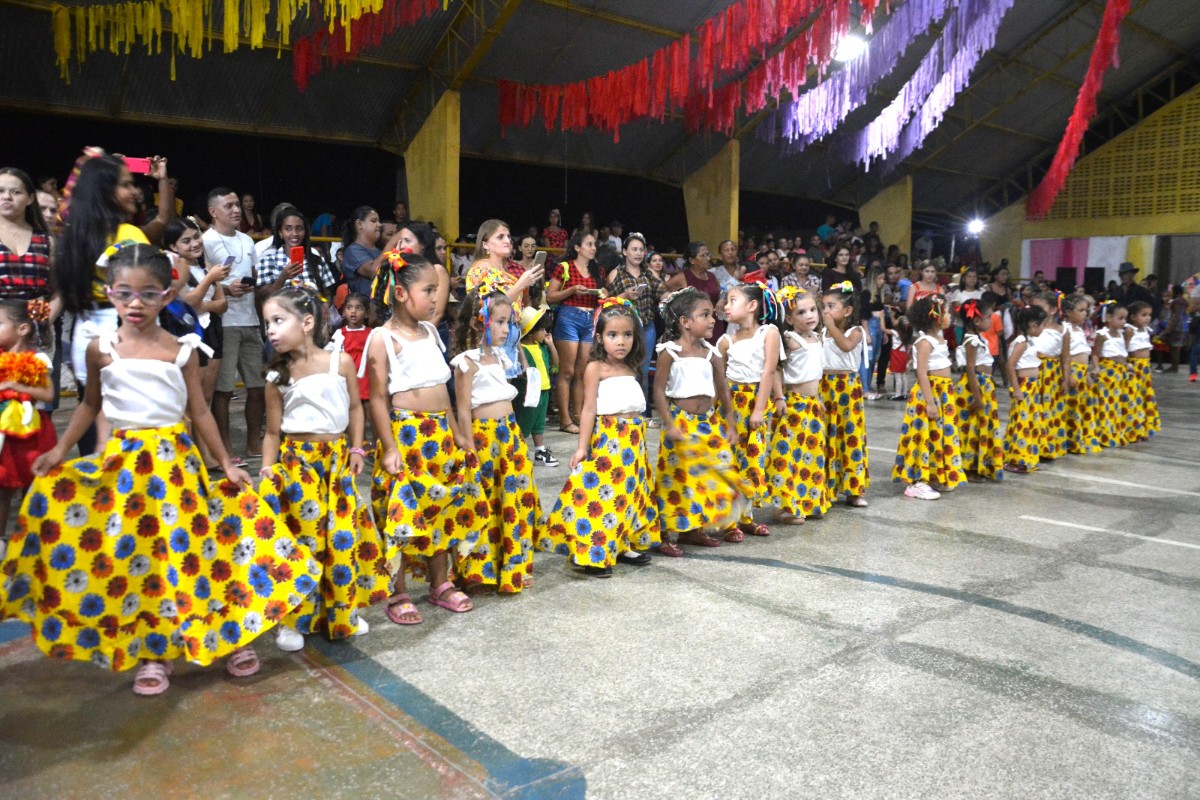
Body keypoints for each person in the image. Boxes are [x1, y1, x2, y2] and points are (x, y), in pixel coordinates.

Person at [0, 243, 319, 694]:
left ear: (167, 296)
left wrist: (225, 462)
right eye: (125, 293)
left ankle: (229, 637)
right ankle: (153, 652)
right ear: (109, 293)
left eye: (148, 294)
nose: (135, 303)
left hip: (176, 468)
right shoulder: (99, 349)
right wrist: (61, 451)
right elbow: (91, 405)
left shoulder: (183, 349)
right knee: (142, 562)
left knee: (196, 554)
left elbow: (202, 412)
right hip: (126, 471)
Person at [258, 284, 388, 651]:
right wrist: (267, 470)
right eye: (267, 322)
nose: (270, 329)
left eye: (278, 320)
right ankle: (292, 619)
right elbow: (271, 432)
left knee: (341, 537)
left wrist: (357, 447)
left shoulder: (339, 361)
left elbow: (354, 409)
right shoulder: (276, 377)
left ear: (308, 322)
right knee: (303, 540)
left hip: (336, 462)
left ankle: (342, 611)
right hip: (297, 466)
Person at [363, 251, 480, 620]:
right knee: (402, 515)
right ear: (400, 293)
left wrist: (459, 432)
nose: (435, 298)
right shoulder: (382, 338)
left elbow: (442, 389)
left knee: (442, 508)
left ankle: (439, 584)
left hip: (440, 439)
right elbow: (378, 398)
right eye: (428, 290)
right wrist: (389, 446)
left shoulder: (430, 332)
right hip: (408, 439)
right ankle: (397, 592)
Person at [541, 299, 658, 577]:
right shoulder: (596, 367)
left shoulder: (632, 366)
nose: (621, 341)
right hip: (609, 439)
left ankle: (620, 542)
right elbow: (589, 408)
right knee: (601, 497)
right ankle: (589, 553)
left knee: (628, 494)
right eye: (613, 335)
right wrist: (582, 447)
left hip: (634, 440)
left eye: (627, 335)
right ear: (599, 338)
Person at [451, 287, 540, 594]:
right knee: (484, 501)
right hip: (483, 437)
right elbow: (463, 408)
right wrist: (468, 445)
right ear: (480, 322)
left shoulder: (501, 357)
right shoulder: (466, 361)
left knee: (514, 499)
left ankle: (513, 564)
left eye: (508, 323)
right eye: (500, 322)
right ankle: (479, 568)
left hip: (509, 434)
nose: (507, 329)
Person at [652, 288, 747, 554]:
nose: (712, 320)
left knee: (704, 476)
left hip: (708, 422)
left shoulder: (711, 353)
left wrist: (729, 421)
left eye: (711, 314)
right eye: (704, 315)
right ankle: (665, 535)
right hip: (680, 422)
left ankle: (693, 531)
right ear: (685, 322)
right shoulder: (669, 352)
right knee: (676, 479)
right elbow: (658, 390)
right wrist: (668, 423)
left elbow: (723, 389)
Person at [202, 187, 264, 465]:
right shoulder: (206, 241)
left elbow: (253, 274)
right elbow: (202, 285)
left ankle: (253, 443)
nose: (236, 210)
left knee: (257, 386)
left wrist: (248, 287)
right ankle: (224, 447)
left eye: (238, 204)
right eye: (229, 206)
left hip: (250, 320)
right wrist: (227, 290)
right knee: (224, 390)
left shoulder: (247, 241)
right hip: (223, 322)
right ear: (213, 212)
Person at [163, 217, 229, 467]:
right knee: (193, 399)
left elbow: (222, 304)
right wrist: (208, 280)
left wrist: (206, 296)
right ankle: (190, 457)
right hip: (189, 334)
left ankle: (205, 453)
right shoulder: (174, 267)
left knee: (206, 396)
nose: (194, 243)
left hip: (212, 330)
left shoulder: (207, 265)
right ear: (172, 246)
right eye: (186, 240)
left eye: (196, 237)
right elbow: (186, 303)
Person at [719, 282, 783, 537]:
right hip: (733, 404)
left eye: (732, 300)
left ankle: (745, 516)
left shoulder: (768, 333)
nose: (726, 305)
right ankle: (728, 522)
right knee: (731, 461)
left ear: (752, 306)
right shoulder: (726, 340)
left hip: (755, 400)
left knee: (752, 460)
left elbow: (769, 370)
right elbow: (721, 379)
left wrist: (759, 409)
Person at [892, 295, 964, 500]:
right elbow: (921, 373)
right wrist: (930, 402)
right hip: (929, 393)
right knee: (922, 435)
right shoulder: (924, 342)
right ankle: (916, 482)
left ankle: (933, 475)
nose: (950, 316)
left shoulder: (939, 338)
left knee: (937, 435)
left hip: (943, 392)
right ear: (935, 316)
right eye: (947, 312)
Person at [768, 286, 829, 522]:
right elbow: (775, 370)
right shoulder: (789, 339)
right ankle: (784, 506)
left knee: (810, 454)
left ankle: (807, 500)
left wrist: (819, 398)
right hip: (794, 404)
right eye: (802, 313)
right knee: (790, 455)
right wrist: (779, 397)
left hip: (812, 404)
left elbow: (815, 372)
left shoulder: (818, 337)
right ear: (790, 319)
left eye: (813, 310)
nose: (810, 316)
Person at [0, 299, 55, 556]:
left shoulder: (36, 359)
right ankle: (1, 541)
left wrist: (19, 387)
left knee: (32, 485)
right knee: (2, 487)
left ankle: (32, 539)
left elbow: (47, 395)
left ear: (22, 329)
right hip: (4, 434)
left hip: (32, 432)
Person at [546, 231, 602, 433]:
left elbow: (601, 297)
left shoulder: (597, 270)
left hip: (589, 319)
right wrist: (571, 290)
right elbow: (550, 296)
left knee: (581, 372)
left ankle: (578, 416)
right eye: (589, 244)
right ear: (577, 247)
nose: (593, 248)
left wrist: (603, 295)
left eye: (594, 244)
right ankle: (565, 419)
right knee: (567, 371)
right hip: (569, 316)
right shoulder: (565, 267)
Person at [821, 282, 870, 508]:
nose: (826, 312)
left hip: (847, 389)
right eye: (824, 307)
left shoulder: (855, 331)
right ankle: (827, 487)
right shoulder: (822, 332)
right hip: (825, 387)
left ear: (847, 311)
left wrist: (831, 326)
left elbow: (846, 346)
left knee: (849, 436)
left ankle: (853, 489)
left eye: (832, 306)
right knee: (826, 436)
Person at [606, 232, 665, 392]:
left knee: (643, 371)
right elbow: (607, 304)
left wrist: (672, 296)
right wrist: (625, 296)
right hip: (623, 329)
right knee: (623, 368)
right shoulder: (615, 274)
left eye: (641, 250)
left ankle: (643, 412)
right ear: (625, 251)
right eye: (634, 249)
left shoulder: (649, 273)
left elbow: (662, 292)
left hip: (647, 327)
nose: (638, 253)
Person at [955, 298, 1003, 482]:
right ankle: (969, 467)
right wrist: (977, 396)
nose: (992, 320)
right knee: (973, 427)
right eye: (989, 317)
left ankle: (978, 464)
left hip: (983, 384)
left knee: (980, 425)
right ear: (976, 320)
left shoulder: (977, 338)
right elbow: (970, 368)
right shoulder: (972, 340)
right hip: (975, 385)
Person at [256, 208, 339, 301]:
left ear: (305, 232)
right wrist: (283, 277)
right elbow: (265, 299)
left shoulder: (318, 261)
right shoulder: (268, 261)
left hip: (311, 315)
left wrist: (326, 304)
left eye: (299, 228)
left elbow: (328, 294)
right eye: (288, 229)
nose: (294, 233)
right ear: (280, 233)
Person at [1003, 305, 1048, 474]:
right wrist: (1016, 389)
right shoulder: (1021, 342)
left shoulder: (1029, 341)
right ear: (1033, 324)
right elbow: (1010, 365)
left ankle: (1026, 456)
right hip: (1024, 386)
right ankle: (1016, 458)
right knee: (1021, 423)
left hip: (1032, 387)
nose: (1043, 329)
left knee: (1029, 422)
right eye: (1042, 325)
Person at [515, 306, 559, 466]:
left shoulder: (542, 347)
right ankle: (517, 450)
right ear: (531, 332)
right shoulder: (521, 350)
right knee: (524, 421)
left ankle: (540, 450)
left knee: (539, 423)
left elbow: (556, 364)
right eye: (542, 330)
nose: (546, 333)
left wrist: (551, 345)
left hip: (544, 391)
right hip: (528, 394)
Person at [1059, 295, 1100, 455]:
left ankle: (1076, 438)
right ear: (1068, 312)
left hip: (1082, 372)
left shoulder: (1080, 330)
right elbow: (1065, 354)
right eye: (1081, 310)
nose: (1085, 314)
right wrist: (1068, 375)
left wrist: (1088, 374)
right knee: (1070, 407)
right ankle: (1067, 439)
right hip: (1072, 371)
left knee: (1079, 406)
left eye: (1086, 310)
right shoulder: (1065, 329)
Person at [1029, 292, 1066, 462]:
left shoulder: (1062, 330)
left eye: (1040, 308)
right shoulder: (1030, 328)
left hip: (1051, 373)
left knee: (1049, 409)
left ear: (1052, 309)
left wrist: (1066, 377)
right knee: (1033, 408)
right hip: (1033, 369)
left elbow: (1065, 357)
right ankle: (1032, 443)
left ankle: (1048, 445)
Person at [666, 242, 724, 345]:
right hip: (695, 327)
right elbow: (664, 290)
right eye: (703, 255)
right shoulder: (683, 277)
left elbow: (720, 293)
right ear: (692, 260)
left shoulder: (712, 276)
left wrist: (722, 299)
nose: (707, 258)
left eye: (708, 255)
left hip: (714, 324)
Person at [1090, 302, 1131, 448]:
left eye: (1125, 319)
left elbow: (1123, 352)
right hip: (1108, 371)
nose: (1124, 322)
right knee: (1105, 403)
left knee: (1117, 404)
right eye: (1120, 318)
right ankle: (1105, 433)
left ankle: (1115, 432)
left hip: (1120, 373)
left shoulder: (1122, 334)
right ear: (1108, 317)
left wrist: (1126, 364)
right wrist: (1096, 368)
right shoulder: (1102, 334)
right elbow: (1095, 354)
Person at [326, 293, 372, 410]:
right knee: (349, 407)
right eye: (349, 307)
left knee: (368, 406)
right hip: (347, 375)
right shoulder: (339, 334)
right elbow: (333, 354)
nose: (353, 311)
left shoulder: (371, 333)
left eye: (359, 308)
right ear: (343, 312)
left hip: (366, 376)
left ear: (366, 313)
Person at [1124, 301, 1159, 438]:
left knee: (1144, 395)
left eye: (1149, 315)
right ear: (1133, 317)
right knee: (1135, 396)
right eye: (1144, 315)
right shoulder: (1129, 330)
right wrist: (1127, 365)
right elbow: (1125, 349)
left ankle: (1143, 427)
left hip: (1145, 367)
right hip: (1135, 365)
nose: (1148, 318)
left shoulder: (1146, 329)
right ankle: (1132, 428)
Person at [341, 206, 389, 298]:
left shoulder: (379, 250)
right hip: (368, 308)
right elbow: (373, 271)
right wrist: (392, 242)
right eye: (373, 221)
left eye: (379, 221)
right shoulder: (353, 250)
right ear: (359, 224)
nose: (379, 224)